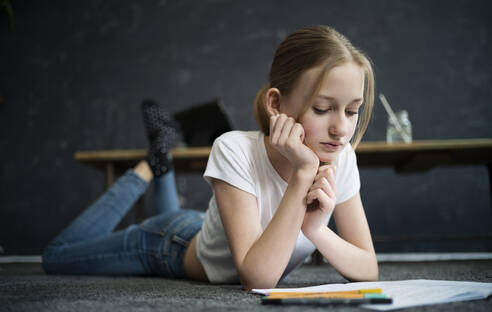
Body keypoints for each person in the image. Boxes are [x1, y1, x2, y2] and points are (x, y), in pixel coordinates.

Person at [42, 25, 378, 290]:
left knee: (180, 217)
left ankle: (162, 164)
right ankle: (148, 168)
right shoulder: (233, 149)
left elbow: (368, 269)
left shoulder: (341, 158)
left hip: (206, 228)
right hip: (167, 245)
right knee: (56, 258)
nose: (341, 129)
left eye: (352, 111)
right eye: (322, 109)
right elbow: (257, 278)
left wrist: (317, 230)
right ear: (276, 104)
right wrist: (303, 174)